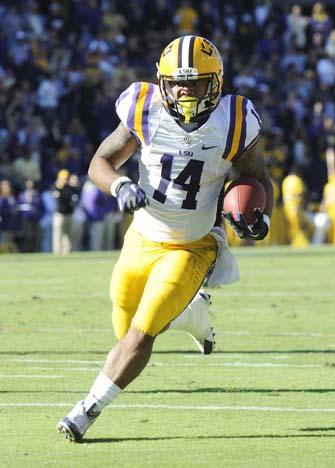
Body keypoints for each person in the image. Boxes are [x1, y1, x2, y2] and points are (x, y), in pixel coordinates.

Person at [58, 35, 273, 443]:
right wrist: (120, 185)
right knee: (123, 318)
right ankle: (193, 314)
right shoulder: (145, 108)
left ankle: (85, 411)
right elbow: (101, 162)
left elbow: (257, 180)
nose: (184, 91)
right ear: (162, 82)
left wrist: (259, 218)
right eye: (176, 82)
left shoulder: (235, 120)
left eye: (194, 83)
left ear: (217, 84)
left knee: (142, 332)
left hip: (193, 245)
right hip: (142, 234)